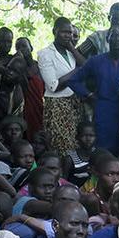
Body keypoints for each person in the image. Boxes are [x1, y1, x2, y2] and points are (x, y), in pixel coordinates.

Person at [67, 27, 119, 151]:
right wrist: (88, 95)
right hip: (103, 110)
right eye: (113, 35)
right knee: (103, 149)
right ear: (107, 38)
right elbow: (73, 80)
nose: (117, 39)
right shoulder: (96, 61)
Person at [38, 17, 86, 151]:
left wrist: (72, 48)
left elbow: (86, 67)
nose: (68, 36)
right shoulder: (45, 54)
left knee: (75, 145)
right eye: (64, 32)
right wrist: (77, 71)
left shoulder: (71, 53)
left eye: (70, 33)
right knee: (62, 146)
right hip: (57, 106)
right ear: (54, 31)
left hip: (74, 104)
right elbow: (54, 86)